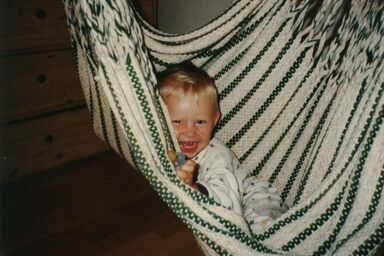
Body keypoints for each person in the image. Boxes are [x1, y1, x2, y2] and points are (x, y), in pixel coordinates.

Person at [158, 62, 287, 234]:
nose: (189, 132)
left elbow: (228, 203)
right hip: (237, 201)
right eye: (177, 122)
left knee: (261, 233)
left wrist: (194, 189)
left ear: (214, 120)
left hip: (254, 199)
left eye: (200, 122)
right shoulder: (170, 148)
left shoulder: (216, 155)